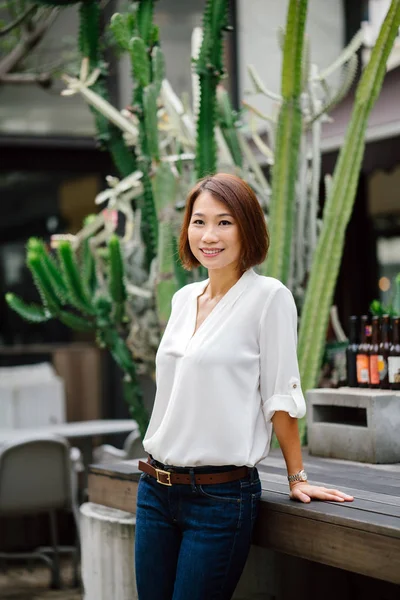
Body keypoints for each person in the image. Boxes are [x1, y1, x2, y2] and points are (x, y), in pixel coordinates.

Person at [135, 173, 353, 600]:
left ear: (247, 228)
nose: (209, 235)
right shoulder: (183, 299)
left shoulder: (269, 297)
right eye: (199, 222)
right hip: (155, 492)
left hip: (219, 498)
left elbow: (279, 395)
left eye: (224, 222)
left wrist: (297, 477)